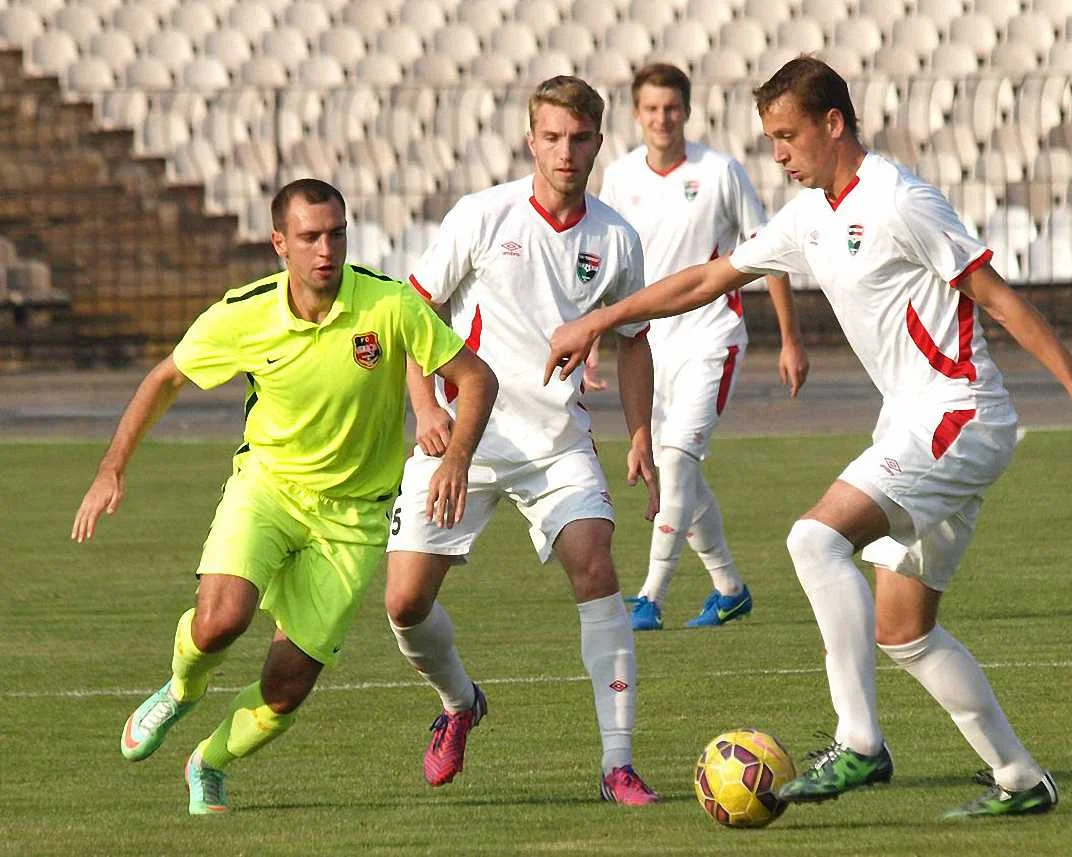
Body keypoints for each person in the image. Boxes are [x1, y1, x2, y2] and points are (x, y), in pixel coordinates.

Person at [544, 57, 1072, 819]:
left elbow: (996, 296)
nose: (778, 153)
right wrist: (601, 319)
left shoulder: (900, 199)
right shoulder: (809, 215)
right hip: (914, 421)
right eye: (770, 139)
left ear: (833, 124)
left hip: (956, 413)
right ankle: (1021, 778)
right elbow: (707, 279)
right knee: (905, 631)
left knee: (813, 539)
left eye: (788, 135)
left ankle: (859, 741)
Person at [71, 179, 497, 815]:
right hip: (267, 489)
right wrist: (112, 467)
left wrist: (455, 457)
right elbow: (165, 379)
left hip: (353, 517)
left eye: (336, 234)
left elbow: (477, 377)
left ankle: (209, 762)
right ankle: (182, 690)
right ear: (280, 243)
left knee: (286, 688)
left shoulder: (389, 305)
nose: (326, 249)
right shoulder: (245, 313)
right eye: (310, 237)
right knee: (219, 622)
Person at [384, 76, 660, 805]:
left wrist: (640, 433)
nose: (566, 152)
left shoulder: (616, 238)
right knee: (405, 603)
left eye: (580, 139)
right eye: (553, 137)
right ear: (530, 140)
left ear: (598, 143)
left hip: (555, 443)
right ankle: (459, 702)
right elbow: (412, 311)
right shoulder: (483, 215)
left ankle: (618, 764)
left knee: (595, 565)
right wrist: (425, 407)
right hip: (461, 440)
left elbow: (634, 341)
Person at [597, 63, 809, 631]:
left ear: (687, 111)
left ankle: (651, 597)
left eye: (671, 107)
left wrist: (790, 339)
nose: (662, 118)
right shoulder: (618, 178)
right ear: (636, 115)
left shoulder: (719, 172)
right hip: (648, 348)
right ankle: (730, 589)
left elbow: (769, 252)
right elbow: (604, 265)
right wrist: (594, 338)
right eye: (651, 108)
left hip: (711, 337)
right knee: (678, 475)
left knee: (675, 461)